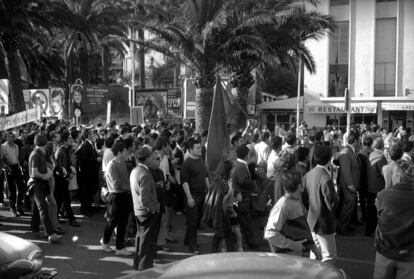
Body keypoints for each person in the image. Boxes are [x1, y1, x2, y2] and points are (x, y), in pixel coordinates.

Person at [265, 171, 321, 259]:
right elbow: (270, 233)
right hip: (286, 259)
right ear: (299, 186)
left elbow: (301, 229)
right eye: (303, 182)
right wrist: (294, 245)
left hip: (295, 256)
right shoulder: (283, 206)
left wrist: (313, 248)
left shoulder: (295, 201)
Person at [374, 160, 414, 279]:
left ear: (398, 176)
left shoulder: (383, 195)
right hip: (409, 256)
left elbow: (379, 218)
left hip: (385, 251)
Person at [303, 145, 339, 264]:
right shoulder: (325, 178)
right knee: (329, 256)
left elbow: (304, 198)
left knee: (315, 254)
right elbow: (332, 204)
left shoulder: (309, 174)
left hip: (312, 219)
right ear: (330, 158)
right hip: (324, 221)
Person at [27, 134, 62, 243]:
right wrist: (46, 175)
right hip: (36, 184)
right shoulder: (36, 154)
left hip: (41, 183)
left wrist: (47, 172)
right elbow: (34, 173)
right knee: (43, 207)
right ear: (45, 143)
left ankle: (34, 228)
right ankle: (50, 234)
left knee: (40, 208)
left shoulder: (39, 153)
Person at [101, 139, 133, 256]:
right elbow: (116, 184)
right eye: (124, 151)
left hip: (125, 195)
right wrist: (132, 188)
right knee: (113, 221)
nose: (127, 152)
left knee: (123, 222)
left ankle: (120, 247)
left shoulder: (124, 163)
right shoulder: (112, 165)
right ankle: (105, 242)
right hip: (116, 196)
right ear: (119, 152)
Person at [130, 147, 161, 271]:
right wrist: (153, 209)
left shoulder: (135, 170)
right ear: (147, 159)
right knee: (147, 244)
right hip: (146, 213)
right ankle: (144, 270)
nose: (153, 158)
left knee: (140, 240)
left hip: (139, 211)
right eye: (151, 157)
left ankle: (138, 266)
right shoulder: (144, 173)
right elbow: (145, 199)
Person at [181, 138, 211, 254]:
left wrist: (209, 188)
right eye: (197, 148)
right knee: (192, 221)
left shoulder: (201, 160)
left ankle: (187, 239)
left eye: (200, 147)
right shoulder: (186, 163)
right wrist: (189, 197)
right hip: (192, 195)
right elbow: (184, 182)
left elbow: (205, 175)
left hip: (202, 194)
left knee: (198, 219)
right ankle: (192, 245)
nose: (200, 149)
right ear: (190, 149)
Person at [231, 144, 259, 250]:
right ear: (247, 155)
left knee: (241, 221)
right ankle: (251, 242)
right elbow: (243, 181)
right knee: (246, 222)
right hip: (243, 197)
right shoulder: (241, 166)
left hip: (240, 196)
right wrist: (253, 184)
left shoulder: (238, 164)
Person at [337, 131, 361, 235]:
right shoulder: (346, 151)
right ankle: (342, 227)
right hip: (348, 185)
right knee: (348, 206)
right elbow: (345, 170)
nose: (360, 142)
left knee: (349, 206)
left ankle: (345, 225)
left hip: (351, 184)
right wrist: (350, 184)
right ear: (355, 140)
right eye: (358, 140)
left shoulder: (349, 150)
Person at [54, 131, 79, 227]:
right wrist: (68, 175)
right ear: (64, 140)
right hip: (60, 180)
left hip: (64, 179)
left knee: (60, 200)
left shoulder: (66, 150)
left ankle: (56, 218)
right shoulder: (60, 151)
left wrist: (71, 169)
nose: (70, 140)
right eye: (68, 138)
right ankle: (72, 219)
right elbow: (58, 168)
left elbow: (67, 164)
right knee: (65, 199)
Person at [365, 137, 387, 237]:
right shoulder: (381, 157)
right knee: (375, 211)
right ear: (382, 146)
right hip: (377, 187)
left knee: (370, 209)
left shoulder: (370, 154)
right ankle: (372, 231)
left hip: (369, 185)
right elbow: (384, 173)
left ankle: (368, 230)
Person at [76, 128, 99, 217]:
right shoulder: (85, 145)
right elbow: (84, 159)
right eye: (91, 134)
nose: (93, 136)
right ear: (88, 135)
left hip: (89, 173)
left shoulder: (89, 144)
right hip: (87, 174)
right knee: (86, 192)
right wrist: (96, 159)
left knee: (89, 192)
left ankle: (88, 208)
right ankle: (85, 209)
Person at [2, 131, 26, 217]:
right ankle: (13, 208)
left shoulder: (16, 146)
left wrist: (20, 166)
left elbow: (17, 158)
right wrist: (6, 167)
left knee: (21, 187)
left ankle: (19, 205)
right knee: (11, 189)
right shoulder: (3, 146)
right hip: (8, 168)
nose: (11, 138)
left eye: (12, 137)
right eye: (9, 137)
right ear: (6, 137)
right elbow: (2, 159)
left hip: (16, 167)